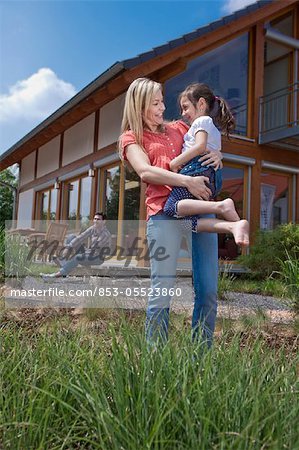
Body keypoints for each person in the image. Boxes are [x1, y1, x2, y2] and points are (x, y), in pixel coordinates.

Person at [119, 77, 224, 346]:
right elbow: (145, 171)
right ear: (139, 106)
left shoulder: (179, 128)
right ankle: (156, 363)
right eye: (155, 103)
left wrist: (218, 156)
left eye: (162, 101)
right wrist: (186, 180)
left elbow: (206, 135)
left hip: (198, 209)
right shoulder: (132, 138)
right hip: (163, 215)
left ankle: (200, 359)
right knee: (162, 292)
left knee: (209, 290)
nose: (163, 107)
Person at [163, 83, 249, 246]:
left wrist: (175, 162)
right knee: (184, 223)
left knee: (171, 207)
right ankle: (233, 226)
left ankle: (222, 206)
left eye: (186, 107)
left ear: (201, 103)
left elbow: (200, 146)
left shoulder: (202, 121)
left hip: (196, 169)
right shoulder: (212, 128)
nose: (183, 113)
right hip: (210, 176)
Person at [40, 212, 111, 281]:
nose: (95, 221)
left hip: (97, 258)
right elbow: (81, 237)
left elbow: (94, 251)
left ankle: (54, 276)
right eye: (95, 219)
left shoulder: (105, 234)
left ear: (103, 221)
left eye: (98, 219)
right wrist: (68, 247)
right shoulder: (93, 228)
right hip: (89, 253)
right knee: (71, 237)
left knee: (78, 257)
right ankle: (65, 263)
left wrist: (76, 255)